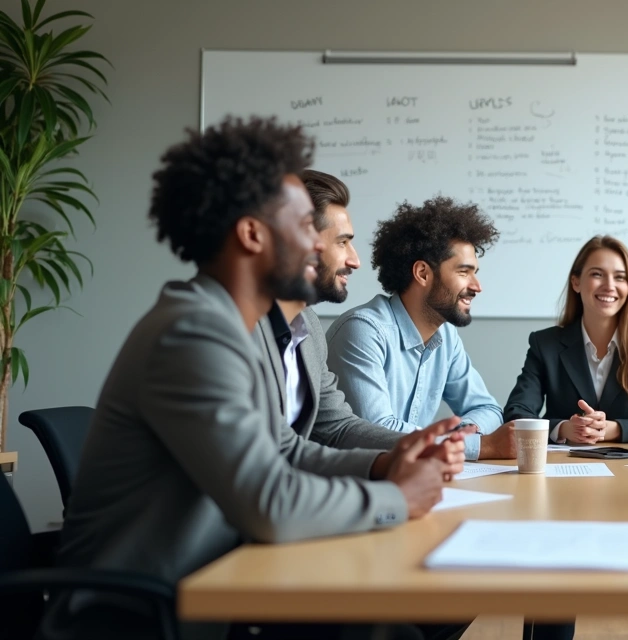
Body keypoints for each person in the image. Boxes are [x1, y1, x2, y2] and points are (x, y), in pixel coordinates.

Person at [41, 117, 454, 640]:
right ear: (252, 234)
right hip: (144, 614)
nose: (330, 250)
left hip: (216, 580)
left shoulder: (240, 328)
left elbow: (285, 449)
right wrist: (399, 498)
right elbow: (270, 501)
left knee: (400, 618)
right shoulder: (192, 334)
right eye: (307, 226)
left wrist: (385, 463)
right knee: (386, 626)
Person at [254, 171, 469, 467]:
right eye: (342, 242)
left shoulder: (309, 327)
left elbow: (338, 427)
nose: (354, 260)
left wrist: (424, 445)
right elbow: (274, 457)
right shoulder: (237, 331)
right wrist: (387, 482)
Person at [326, 196, 514, 460]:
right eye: (464, 272)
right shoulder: (362, 331)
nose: (476, 286)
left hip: (410, 477)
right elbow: (378, 431)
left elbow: (487, 408)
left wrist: (459, 436)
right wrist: (480, 446)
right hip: (357, 484)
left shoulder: (446, 336)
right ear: (423, 273)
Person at [503, 235, 628, 445]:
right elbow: (516, 414)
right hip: (564, 468)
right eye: (597, 274)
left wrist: (612, 430)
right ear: (576, 282)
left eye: (620, 277)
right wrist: (563, 429)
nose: (609, 286)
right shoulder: (545, 344)